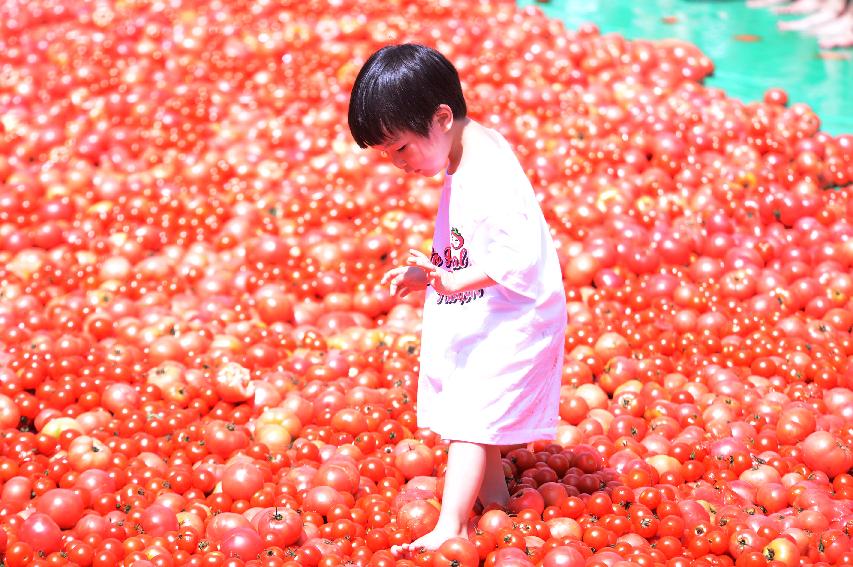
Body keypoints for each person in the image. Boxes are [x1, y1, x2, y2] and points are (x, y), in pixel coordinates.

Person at [347, 44, 567, 553]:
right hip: (495, 306)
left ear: (441, 117)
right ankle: (496, 506)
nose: (398, 165)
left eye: (400, 149)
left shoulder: (486, 171)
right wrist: (430, 276)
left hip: (518, 314)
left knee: (469, 418)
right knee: (475, 411)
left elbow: (519, 257)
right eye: (387, 155)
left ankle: (452, 526)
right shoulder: (464, 146)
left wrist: (453, 282)